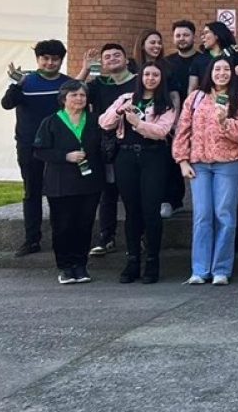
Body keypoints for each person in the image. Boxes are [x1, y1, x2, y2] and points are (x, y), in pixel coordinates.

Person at [173, 58, 238, 285]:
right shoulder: (196, 97)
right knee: (202, 215)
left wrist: (225, 121)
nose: (222, 73)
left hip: (229, 163)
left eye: (226, 69)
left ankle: (221, 269)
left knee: (224, 214)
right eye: (217, 69)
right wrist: (182, 160)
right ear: (210, 72)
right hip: (199, 163)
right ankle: (199, 269)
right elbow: (182, 130)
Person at [99, 63, 178, 284]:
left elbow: (162, 131)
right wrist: (118, 112)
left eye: (155, 75)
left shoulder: (166, 104)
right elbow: (104, 122)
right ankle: (132, 259)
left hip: (153, 157)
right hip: (126, 157)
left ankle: (152, 261)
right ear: (140, 77)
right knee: (131, 211)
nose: (150, 78)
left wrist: (138, 123)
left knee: (151, 210)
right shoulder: (126, 98)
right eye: (147, 74)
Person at [1, 39, 72, 257]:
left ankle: (63, 239)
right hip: (29, 147)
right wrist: (16, 84)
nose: (50, 63)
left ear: (61, 60)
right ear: (38, 59)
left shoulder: (67, 84)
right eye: (45, 58)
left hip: (59, 150)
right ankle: (32, 240)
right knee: (32, 192)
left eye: (55, 59)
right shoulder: (25, 81)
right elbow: (7, 104)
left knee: (59, 194)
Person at [32, 81, 104, 284]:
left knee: (84, 225)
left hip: (89, 183)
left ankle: (81, 265)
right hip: (60, 184)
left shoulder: (95, 120)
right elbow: (39, 151)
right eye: (74, 95)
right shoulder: (50, 122)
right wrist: (65, 156)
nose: (79, 99)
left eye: (82, 95)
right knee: (63, 226)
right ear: (64, 99)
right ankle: (65, 267)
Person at [85, 42, 135, 257]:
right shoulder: (99, 84)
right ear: (103, 63)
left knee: (133, 193)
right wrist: (86, 69)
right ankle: (106, 238)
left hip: (133, 142)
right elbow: (69, 94)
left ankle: (137, 238)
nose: (112, 59)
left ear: (126, 60)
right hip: (106, 145)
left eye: (117, 55)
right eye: (107, 57)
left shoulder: (138, 82)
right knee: (108, 193)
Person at [162, 20, 201, 215]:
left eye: (186, 35)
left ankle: (201, 203)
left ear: (194, 37)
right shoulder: (167, 62)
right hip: (173, 118)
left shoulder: (203, 60)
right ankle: (173, 201)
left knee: (200, 159)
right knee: (173, 159)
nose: (182, 39)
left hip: (200, 117)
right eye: (178, 35)